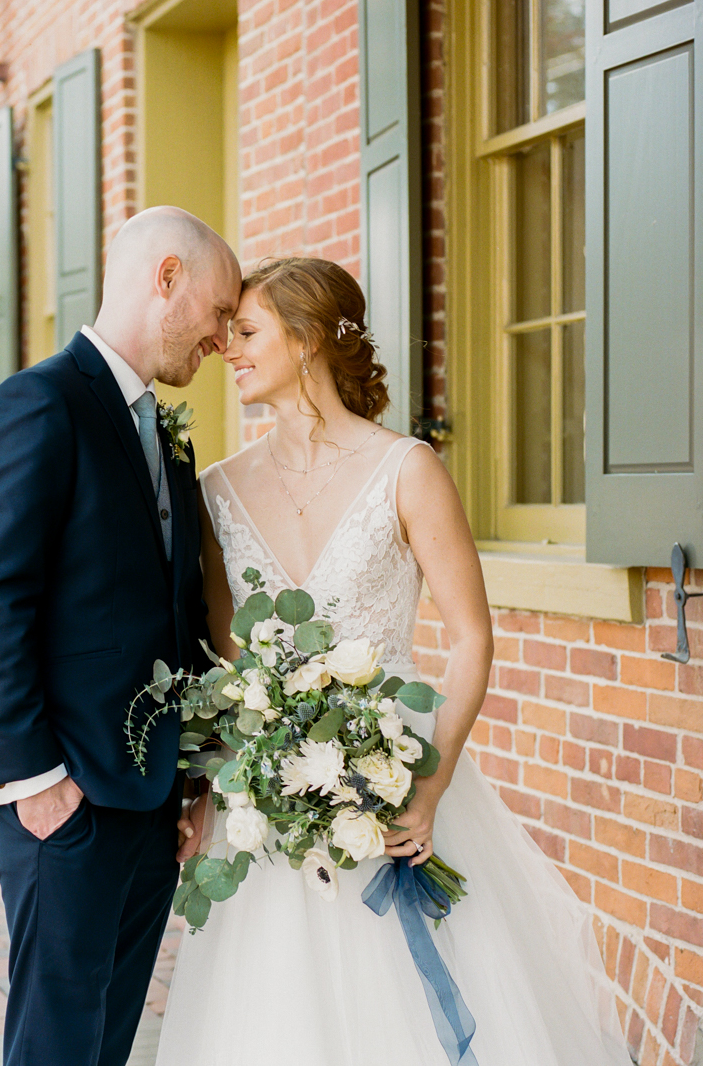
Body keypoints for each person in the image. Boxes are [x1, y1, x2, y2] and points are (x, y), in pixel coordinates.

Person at [156, 257, 632, 1065]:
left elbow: (472, 637)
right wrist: (215, 783)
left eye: (247, 331)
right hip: (266, 807)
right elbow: (226, 655)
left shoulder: (407, 469)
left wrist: (429, 789)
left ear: (306, 340)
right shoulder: (216, 489)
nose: (227, 348)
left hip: (398, 779)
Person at [0, 206, 243, 1066]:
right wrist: (37, 781)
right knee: (57, 1046)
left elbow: (177, 616)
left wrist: (196, 775)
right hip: (63, 797)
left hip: (150, 806)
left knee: (107, 1045)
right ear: (166, 278)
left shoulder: (167, 437)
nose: (224, 338)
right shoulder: (39, 403)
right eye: (220, 311)